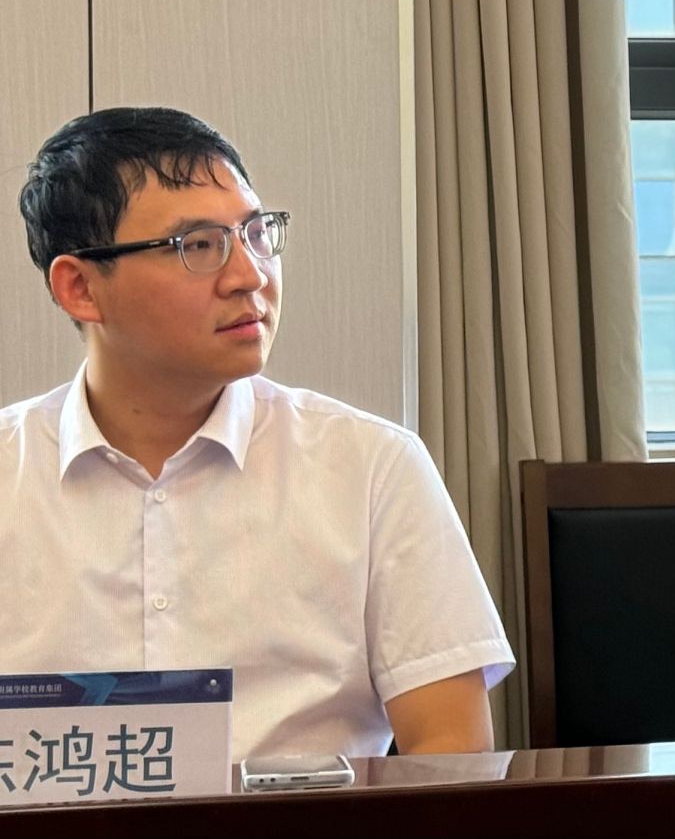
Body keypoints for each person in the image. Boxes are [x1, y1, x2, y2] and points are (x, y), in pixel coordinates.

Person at [2, 107, 515, 760]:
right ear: (80, 288)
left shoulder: (371, 467)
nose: (250, 275)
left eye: (255, 233)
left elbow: (451, 747)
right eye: (197, 246)